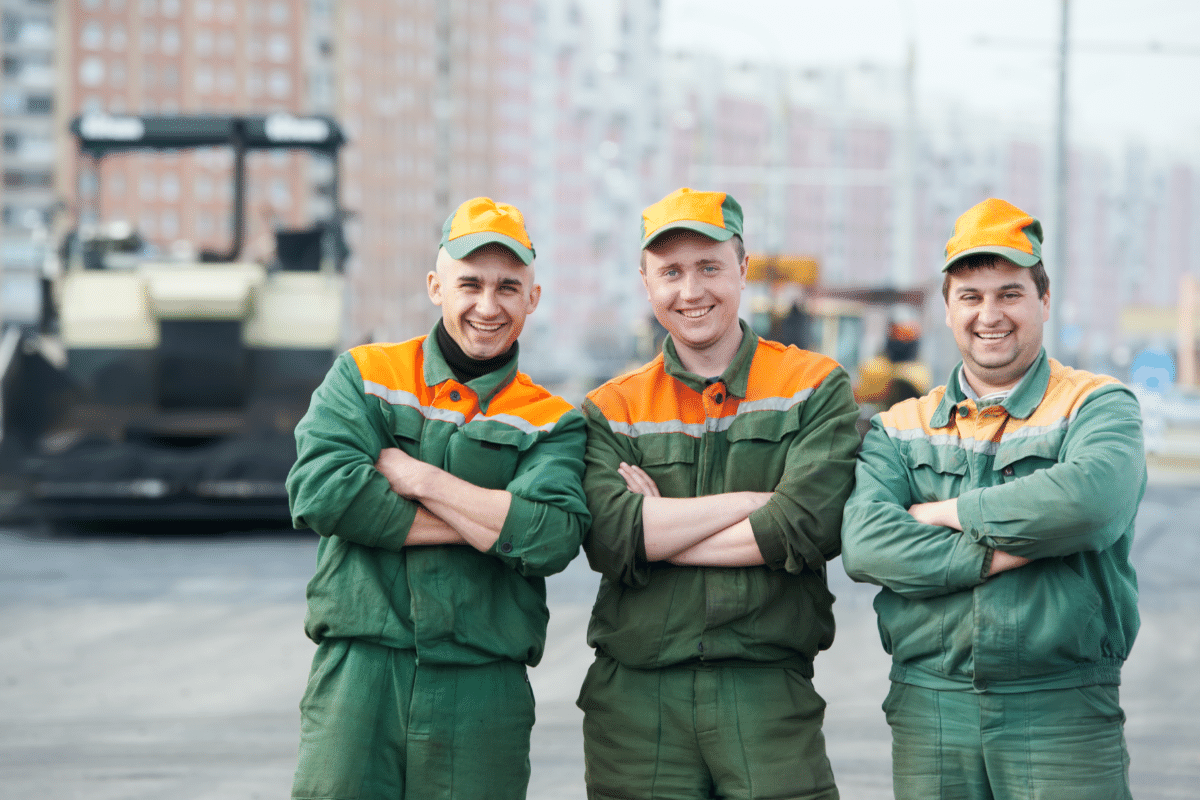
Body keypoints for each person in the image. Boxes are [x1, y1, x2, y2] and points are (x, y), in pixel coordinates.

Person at [285, 196, 591, 800]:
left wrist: (422, 480)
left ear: (532, 297)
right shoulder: (364, 375)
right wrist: (495, 519)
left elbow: (553, 536)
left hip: (482, 689)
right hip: (360, 674)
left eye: (508, 287)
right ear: (436, 287)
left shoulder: (551, 420)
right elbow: (322, 491)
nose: (488, 306)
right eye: (470, 284)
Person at [841, 197, 1145, 800]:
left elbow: (1089, 503)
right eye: (971, 297)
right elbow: (867, 545)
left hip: (1061, 707)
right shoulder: (899, 425)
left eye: (1010, 294)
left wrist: (946, 513)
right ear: (948, 309)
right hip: (930, 708)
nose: (990, 314)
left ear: (1044, 301)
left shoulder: (1097, 405)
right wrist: (1007, 551)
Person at [577, 187, 861, 800]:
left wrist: (659, 528)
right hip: (636, 709)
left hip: (767, 695)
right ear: (646, 283)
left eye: (709, 267)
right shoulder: (612, 407)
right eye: (670, 273)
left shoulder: (813, 387)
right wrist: (752, 503)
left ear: (743, 269)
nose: (691, 291)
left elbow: (805, 526)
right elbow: (611, 537)